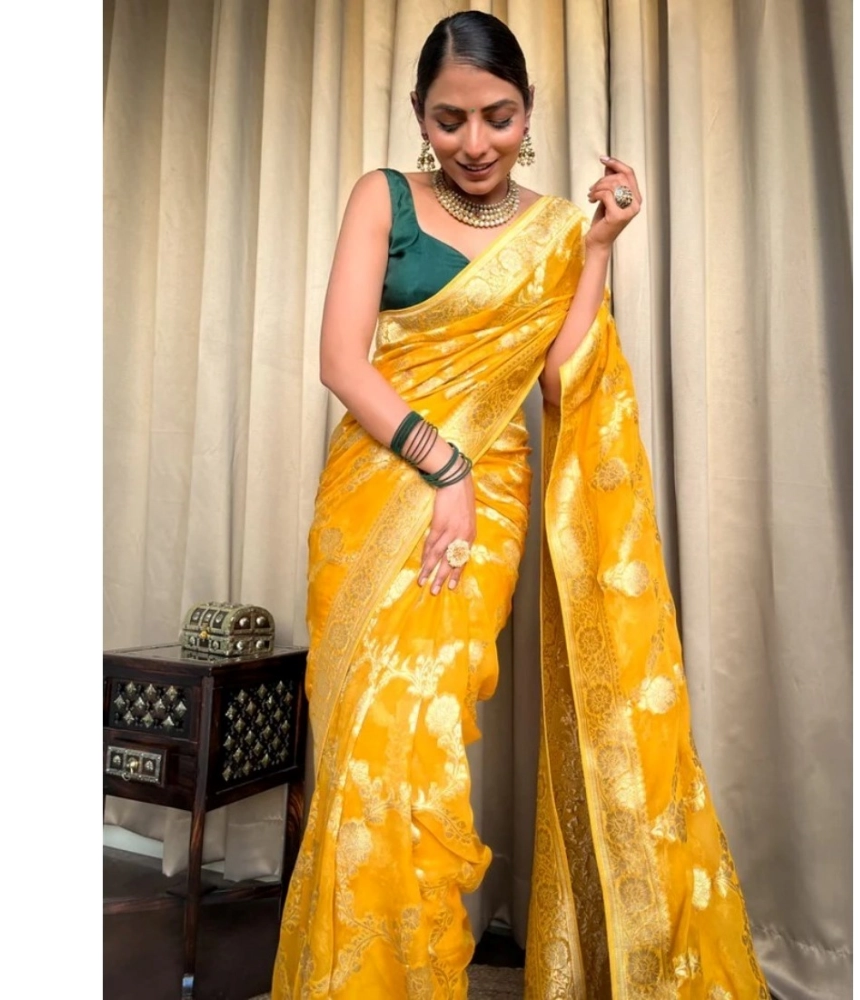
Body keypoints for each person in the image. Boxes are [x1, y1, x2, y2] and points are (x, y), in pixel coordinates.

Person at [272, 11, 769, 1000]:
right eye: (449, 120)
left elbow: (559, 377)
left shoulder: (552, 232)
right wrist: (441, 466)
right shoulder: (382, 197)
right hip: (381, 487)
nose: (474, 142)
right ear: (420, 116)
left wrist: (599, 248)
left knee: (421, 738)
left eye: (496, 117)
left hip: (484, 505)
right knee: (363, 746)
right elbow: (340, 361)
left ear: (528, 111)